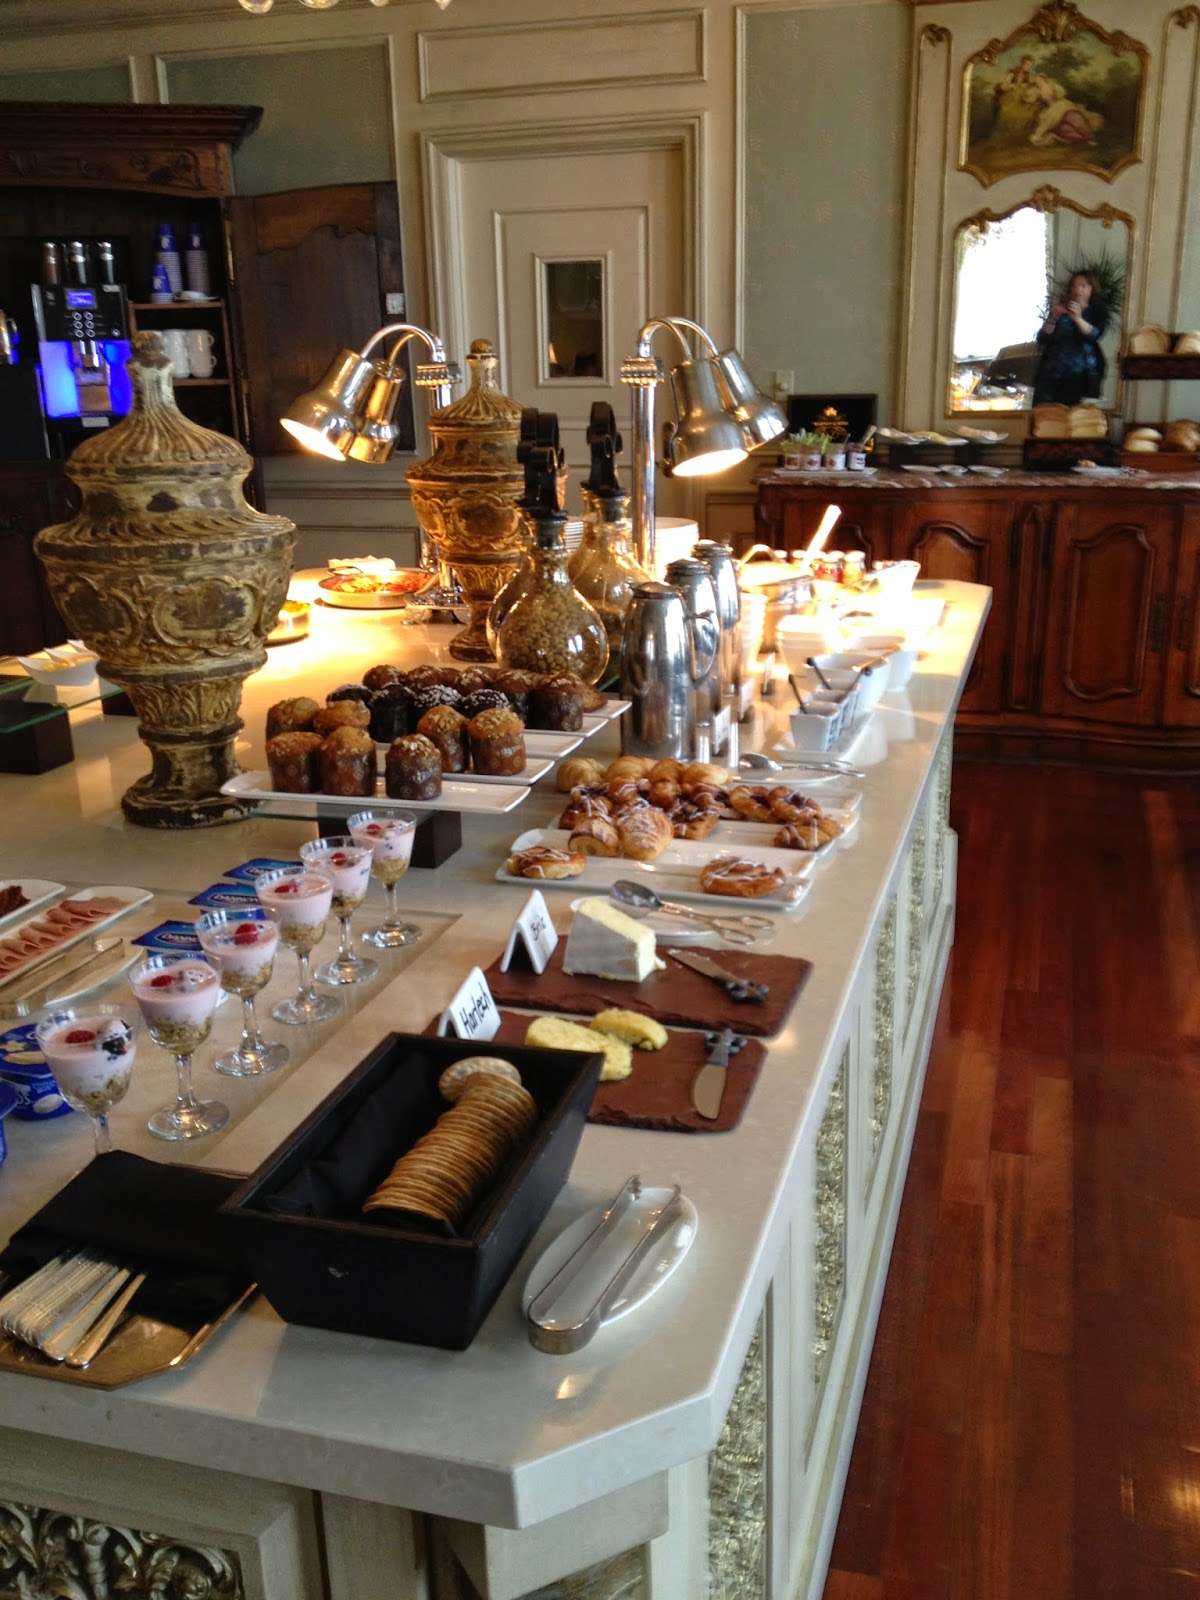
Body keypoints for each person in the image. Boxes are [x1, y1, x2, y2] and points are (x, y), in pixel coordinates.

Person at [1032, 271, 1109, 405]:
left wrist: (1078, 319)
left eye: (1083, 285)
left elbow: (1095, 334)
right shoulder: (1061, 308)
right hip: (1051, 373)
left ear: (1091, 288)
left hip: (1082, 374)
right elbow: (1043, 338)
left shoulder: (1097, 310)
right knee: (1046, 413)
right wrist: (1053, 318)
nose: (1078, 290)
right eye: (1074, 286)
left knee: (1077, 413)